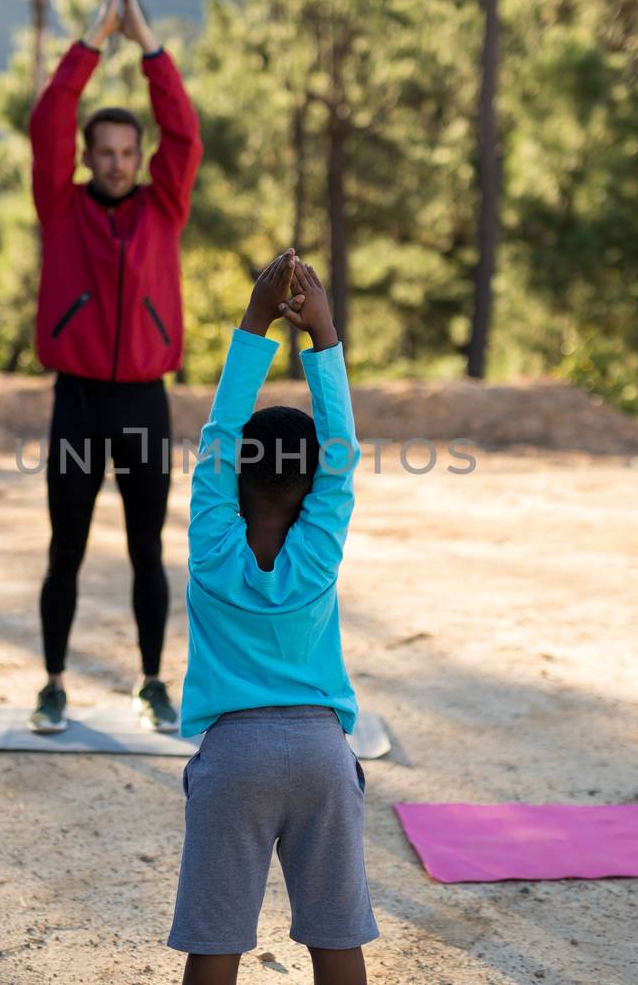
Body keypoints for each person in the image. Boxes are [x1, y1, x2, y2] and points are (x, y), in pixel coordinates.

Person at [169, 251, 376, 985]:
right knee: (336, 936)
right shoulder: (317, 554)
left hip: (233, 760)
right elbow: (343, 455)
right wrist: (323, 336)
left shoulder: (211, 547)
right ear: (314, 486)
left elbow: (220, 432)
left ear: (230, 476)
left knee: (215, 940)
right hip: (322, 754)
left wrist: (255, 320)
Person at [26, 0, 202, 735]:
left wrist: (150, 44)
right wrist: (95, 40)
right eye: (105, 151)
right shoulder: (60, 206)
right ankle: (54, 683)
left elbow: (186, 133)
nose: (119, 161)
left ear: (141, 156)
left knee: (145, 547)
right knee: (64, 545)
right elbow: (47, 119)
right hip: (77, 402)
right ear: (89, 156)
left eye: (130, 150)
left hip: (141, 402)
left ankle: (153, 681)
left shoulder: (165, 205)